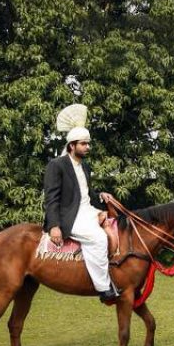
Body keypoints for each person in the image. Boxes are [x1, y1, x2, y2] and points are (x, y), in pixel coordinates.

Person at [43, 104, 119, 304]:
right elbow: (51, 197)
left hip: (89, 211)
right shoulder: (56, 165)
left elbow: (85, 193)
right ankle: (104, 288)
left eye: (88, 143)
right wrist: (54, 226)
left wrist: (101, 195)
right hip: (71, 217)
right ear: (72, 146)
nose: (88, 147)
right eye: (84, 144)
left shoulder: (84, 166)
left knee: (117, 227)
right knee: (99, 239)